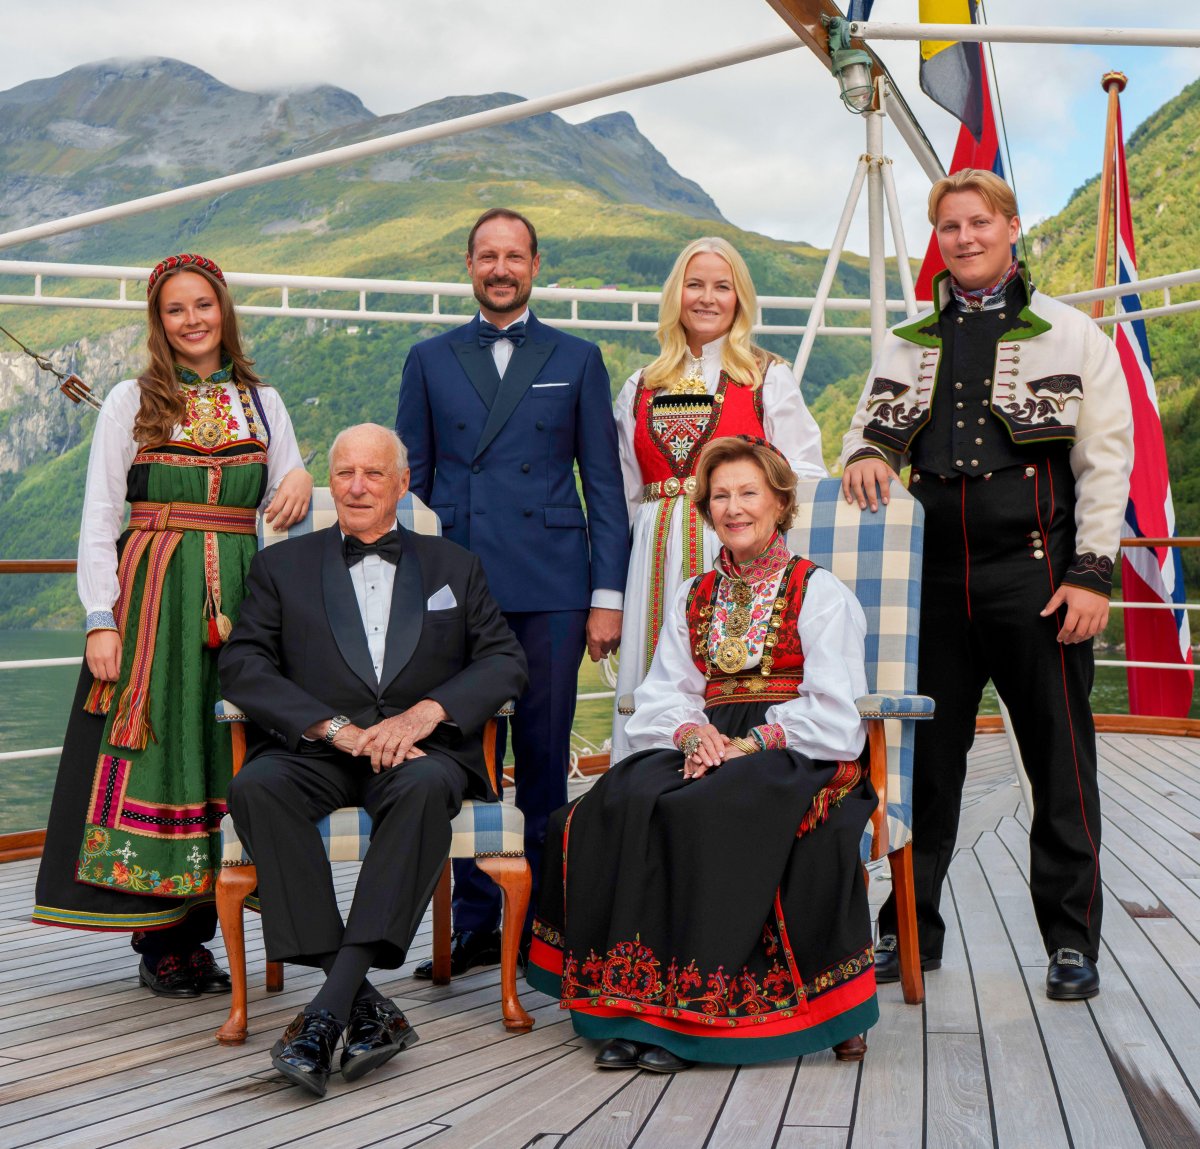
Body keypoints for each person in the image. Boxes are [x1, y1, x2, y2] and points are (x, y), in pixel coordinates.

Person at [840, 169, 1134, 1001]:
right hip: (930, 583)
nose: (964, 238)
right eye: (950, 226)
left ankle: (1071, 940)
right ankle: (908, 929)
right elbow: (867, 433)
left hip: (1036, 578)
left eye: (978, 222)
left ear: (1010, 228)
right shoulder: (906, 341)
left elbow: (1105, 463)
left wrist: (1091, 573)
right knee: (924, 767)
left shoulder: (1073, 335)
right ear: (938, 239)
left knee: (1059, 761)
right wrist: (864, 454)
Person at [528, 436, 877, 1070]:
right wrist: (693, 736)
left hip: (800, 749)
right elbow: (667, 690)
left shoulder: (820, 592)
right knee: (620, 800)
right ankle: (631, 1005)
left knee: (704, 809)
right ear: (706, 509)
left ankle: (695, 1018)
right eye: (720, 496)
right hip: (708, 741)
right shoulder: (693, 592)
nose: (733, 508)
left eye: (748, 493)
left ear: (780, 502)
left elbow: (835, 708)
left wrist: (750, 742)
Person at [219, 423, 528, 1097]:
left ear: (402, 483)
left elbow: (505, 660)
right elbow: (242, 665)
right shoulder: (281, 566)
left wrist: (427, 712)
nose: (357, 487)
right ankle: (361, 1004)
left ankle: (324, 1014)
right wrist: (332, 728)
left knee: (423, 789)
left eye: (373, 473)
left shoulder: (454, 565)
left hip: (419, 751)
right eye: (344, 473)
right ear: (331, 482)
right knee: (256, 786)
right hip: (319, 747)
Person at [32, 252, 310, 996]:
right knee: (160, 748)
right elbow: (99, 517)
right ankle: (163, 940)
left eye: (203, 305)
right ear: (159, 322)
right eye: (175, 309)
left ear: (224, 310)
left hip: (244, 602)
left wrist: (301, 474)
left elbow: (287, 495)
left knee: (227, 750)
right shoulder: (131, 399)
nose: (192, 320)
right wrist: (100, 617)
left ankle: (213, 923)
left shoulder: (263, 402)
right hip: (153, 599)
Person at [395, 207, 629, 976]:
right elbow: (409, 487)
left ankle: (546, 924)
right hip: (454, 585)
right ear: (468, 266)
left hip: (553, 583)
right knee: (461, 753)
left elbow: (603, 487)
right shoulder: (428, 359)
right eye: (487, 256)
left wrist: (607, 594)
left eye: (514, 256)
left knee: (543, 752)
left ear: (535, 265)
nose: (501, 269)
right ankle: (473, 921)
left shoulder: (578, 358)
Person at [609, 237, 827, 764]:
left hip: (737, 549)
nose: (707, 298)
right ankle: (646, 782)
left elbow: (802, 476)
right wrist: (612, 595)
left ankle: (730, 766)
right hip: (653, 556)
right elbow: (622, 495)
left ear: (740, 298)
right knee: (655, 677)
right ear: (676, 295)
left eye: (722, 287)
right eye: (695, 285)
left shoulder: (766, 376)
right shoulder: (640, 385)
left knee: (730, 670)